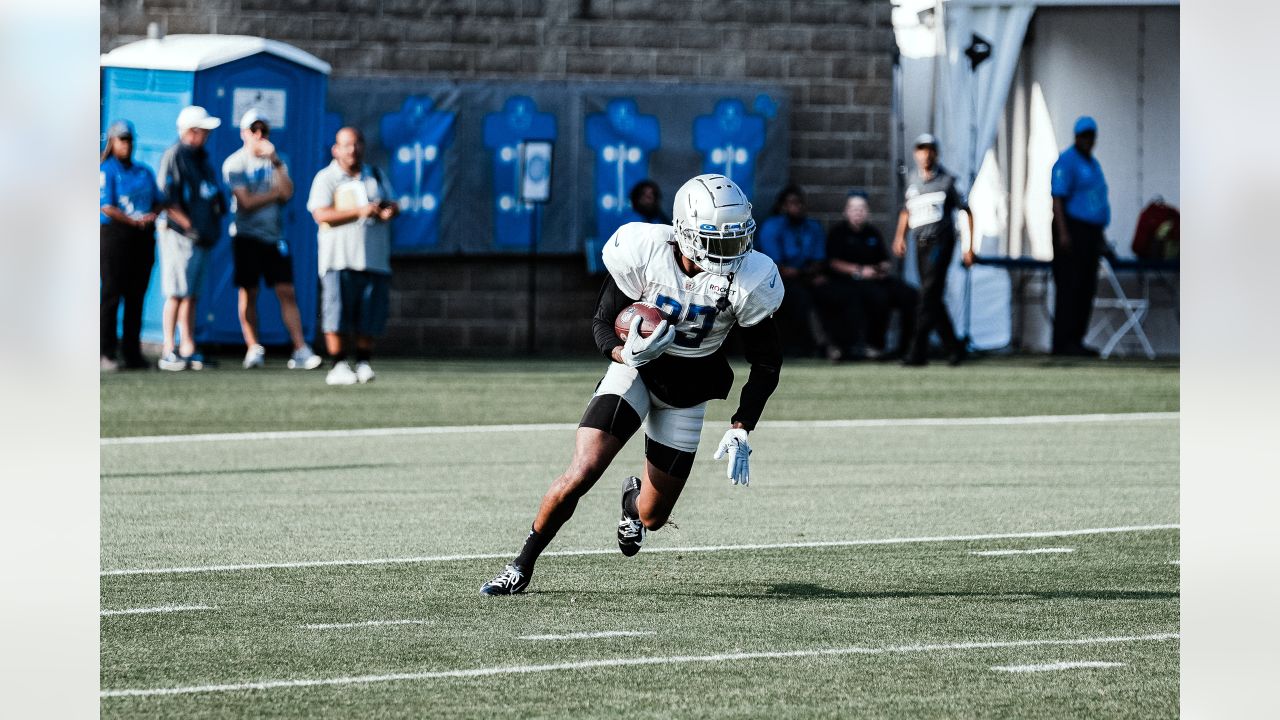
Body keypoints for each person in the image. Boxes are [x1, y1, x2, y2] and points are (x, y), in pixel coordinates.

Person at [479, 173, 784, 596]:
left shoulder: (752, 278)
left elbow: (767, 364)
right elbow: (603, 322)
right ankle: (521, 564)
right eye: (718, 239)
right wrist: (624, 355)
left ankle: (631, 504)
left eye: (737, 238)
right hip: (637, 371)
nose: (731, 250)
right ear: (686, 232)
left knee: (653, 517)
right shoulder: (644, 250)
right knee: (582, 471)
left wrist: (741, 425)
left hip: (688, 392)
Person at [222, 109, 322, 371]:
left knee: (286, 290)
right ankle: (253, 347)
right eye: (253, 130)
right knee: (249, 292)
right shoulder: (235, 163)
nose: (259, 135)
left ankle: (300, 348)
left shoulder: (278, 161)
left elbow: (287, 193)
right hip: (246, 236)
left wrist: (276, 162)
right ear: (244, 133)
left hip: (275, 236)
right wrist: (272, 194)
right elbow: (245, 203)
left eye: (263, 130)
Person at [306, 127, 399, 385]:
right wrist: (359, 212)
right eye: (346, 145)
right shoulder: (326, 178)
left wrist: (388, 211)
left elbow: (394, 203)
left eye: (357, 144)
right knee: (336, 312)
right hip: (339, 259)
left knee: (369, 314)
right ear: (336, 149)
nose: (352, 150)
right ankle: (337, 365)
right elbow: (320, 214)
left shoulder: (376, 175)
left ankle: (363, 362)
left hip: (373, 259)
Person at [893, 134, 973, 366]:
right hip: (920, 245)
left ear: (935, 153)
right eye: (921, 149)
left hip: (940, 243)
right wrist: (900, 236)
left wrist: (968, 247)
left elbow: (966, 211)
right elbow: (906, 211)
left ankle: (917, 351)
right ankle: (954, 348)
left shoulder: (947, 181)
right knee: (933, 298)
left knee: (928, 294)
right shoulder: (912, 181)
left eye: (929, 149)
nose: (925, 154)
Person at [157, 105, 226, 371]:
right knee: (176, 292)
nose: (206, 135)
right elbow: (168, 199)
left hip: (200, 237)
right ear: (191, 131)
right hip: (180, 236)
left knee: (191, 294)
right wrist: (190, 226)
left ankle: (188, 347)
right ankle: (168, 349)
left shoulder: (201, 158)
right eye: (203, 130)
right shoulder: (175, 155)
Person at [755, 184, 847, 358]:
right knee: (803, 297)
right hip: (777, 281)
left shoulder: (812, 226)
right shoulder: (772, 227)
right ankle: (822, 345)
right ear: (782, 206)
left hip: (807, 277)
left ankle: (847, 345)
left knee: (835, 292)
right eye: (792, 203)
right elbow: (776, 267)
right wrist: (806, 274)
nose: (797, 207)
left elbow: (819, 260)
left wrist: (810, 273)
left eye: (800, 203)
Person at [100, 120, 161, 372]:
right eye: (122, 140)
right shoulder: (107, 170)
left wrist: (150, 216)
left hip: (142, 238)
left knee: (136, 297)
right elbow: (106, 205)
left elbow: (159, 201)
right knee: (112, 294)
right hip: (116, 236)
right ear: (112, 142)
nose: (127, 145)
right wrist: (132, 221)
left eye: (129, 140)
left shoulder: (143, 172)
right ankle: (105, 351)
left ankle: (133, 354)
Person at [826, 191, 917, 358]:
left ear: (867, 211)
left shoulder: (872, 232)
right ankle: (872, 345)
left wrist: (882, 268)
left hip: (877, 278)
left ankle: (907, 348)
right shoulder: (838, 233)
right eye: (854, 209)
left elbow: (884, 259)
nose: (858, 212)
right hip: (851, 281)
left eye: (862, 208)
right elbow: (833, 263)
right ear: (846, 211)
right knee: (879, 298)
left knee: (910, 295)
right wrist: (860, 271)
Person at [1050, 116, 1110, 356]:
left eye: (1091, 136)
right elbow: (1058, 198)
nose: (1088, 140)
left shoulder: (1093, 164)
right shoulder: (1067, 161)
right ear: (1076, 137)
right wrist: (1064, 233)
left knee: (1086, 287)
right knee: (1069, 286)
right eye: (1084, 136)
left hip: (1090, 232)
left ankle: (1076, 339)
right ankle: (1062, 342)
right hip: (1071, 229)